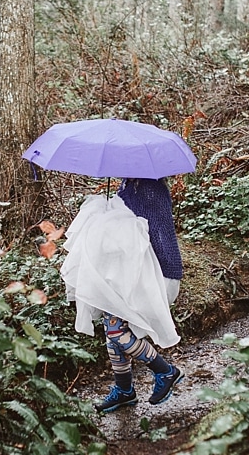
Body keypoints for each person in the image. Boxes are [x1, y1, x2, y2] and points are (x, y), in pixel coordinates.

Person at [58, 174, 185, 413]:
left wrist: (166, 272)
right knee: (111, 331)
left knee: (117, 332)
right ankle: (124, 390)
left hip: (146, 271)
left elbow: (158, 232)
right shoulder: (130, 183)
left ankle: (165, 370)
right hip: (122, 270)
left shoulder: (150, 188)